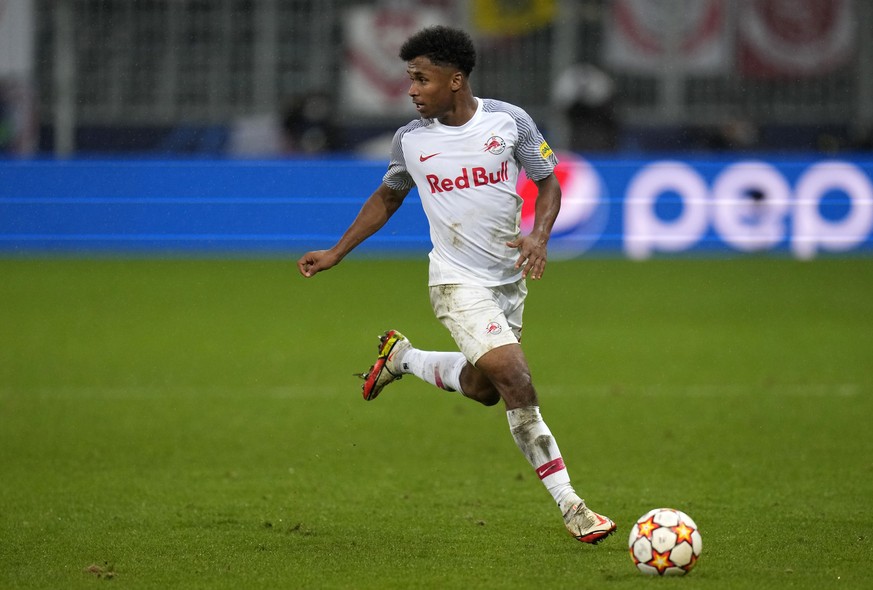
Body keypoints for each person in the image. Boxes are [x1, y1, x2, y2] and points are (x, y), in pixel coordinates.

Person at [297, 25, 616, 545]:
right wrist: (336, 251)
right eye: (409, 80)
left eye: (421, 79)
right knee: (516, 379)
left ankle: (402, 358)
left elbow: (549, 181)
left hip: (506, 282)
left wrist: (539, 234)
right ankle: (573, 507)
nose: (412, 90)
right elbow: (389, 196)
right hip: (455, 281)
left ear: (456, 79)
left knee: (482, 388)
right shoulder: (411, 141)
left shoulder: (510, 123)